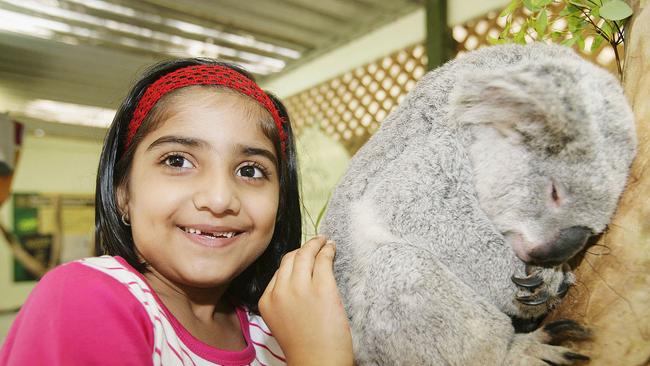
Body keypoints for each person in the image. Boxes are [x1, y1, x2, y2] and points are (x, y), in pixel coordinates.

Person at [0, 59, 353, 365]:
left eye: (250, 170)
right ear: (123, 192)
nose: (218, 199)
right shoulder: (87, 298)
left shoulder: (281, 330)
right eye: (177, 161)